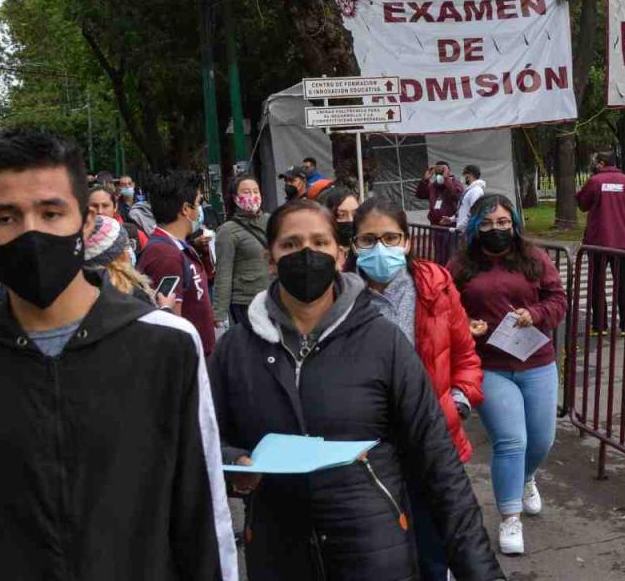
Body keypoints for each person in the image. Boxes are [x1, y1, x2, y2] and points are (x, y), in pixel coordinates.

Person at [0, 129, 237, 580]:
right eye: (5, 217)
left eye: (51, 212)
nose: (31, 232)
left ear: (86, 222)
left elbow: (203, 522)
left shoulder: (167, 347)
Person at [208, 199, 505, 581]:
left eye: (319, 242)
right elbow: (209, 437)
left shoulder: (383, 342)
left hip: (374, 547)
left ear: (340, 254)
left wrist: (480, 572)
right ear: (270, 259)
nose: (306, 254)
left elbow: (439, 464)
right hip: (278, 551)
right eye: (291, 244)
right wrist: (236, 462)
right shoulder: (236, 348)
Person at [351, 197, 484, 581]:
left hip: (432, 441)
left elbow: (466, 357)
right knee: (378, 552)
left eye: (391, 238)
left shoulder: (436, 286)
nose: (381, 248)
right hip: (369, 451)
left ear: (408, 241)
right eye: (369, 239)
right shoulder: (338, 296)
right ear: (352, 245)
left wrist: (457, 405)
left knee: (432, 550)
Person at [447, 193, 567, 556]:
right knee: (511, 441)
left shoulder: (534, 258)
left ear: (513, 224)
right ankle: (509, 516)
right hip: (489, 366)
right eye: (486, 223)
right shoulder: (460, 265)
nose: (496, 230)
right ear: (474, 227)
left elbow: (558, 299)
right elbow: (445, 309)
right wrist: (466, 324)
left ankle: (526, 478)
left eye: (502, 223)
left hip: (537, 360)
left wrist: (537, 314)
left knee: (541, 441)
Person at [137, 171, 217, 356]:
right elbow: (171, 321)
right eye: (198, 203)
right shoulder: (165, 256)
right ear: (186, 209)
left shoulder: (178, 248)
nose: (200, 211)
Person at [576, 152, 625, 336]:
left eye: (594, 162)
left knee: (596, 284)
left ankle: (599, 326)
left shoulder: (595, 181)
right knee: (624, 284)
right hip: (623, 242)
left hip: (598, 242)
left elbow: (582, 204)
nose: (593, 165)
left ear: (601, 163)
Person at [212, 174, 271, 326]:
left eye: (256, 191)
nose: (253, 196)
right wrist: (219, 313)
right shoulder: (227, 231)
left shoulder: (272, 221)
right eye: (246, 192)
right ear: (235, 197)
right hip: (245, 302)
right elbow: (223, 273)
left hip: (273, 298)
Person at [84, 215, 155, 303]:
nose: (129, 251)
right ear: (121, 255)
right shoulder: (133, 296)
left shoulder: (84, 294)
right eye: (126, 245)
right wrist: (166, 308)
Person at [416, 160, 463, 264]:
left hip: (450, 224)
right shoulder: (433, 186)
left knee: (452, 251)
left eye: (442, 169)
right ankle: (441, 271)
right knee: (439, 252)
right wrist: (425, 180)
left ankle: (453, 273)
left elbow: (457, 196)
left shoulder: (455, 183)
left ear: (449, 171)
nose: (440, 171)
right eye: (438, 169)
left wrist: (446, 179)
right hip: (436, 225)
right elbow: (420, 195)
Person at [89, 185, 147, 251]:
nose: (100, 211)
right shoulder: (78, 239)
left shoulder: (135, 234)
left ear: (115, 207)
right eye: (94, 206)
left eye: (105, 206)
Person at [455, 164, 487, 232]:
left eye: (463, 174)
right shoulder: (470, 190)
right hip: (463, 230)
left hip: (467, 231)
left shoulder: (476, 191)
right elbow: (464, 209)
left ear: (469, 175)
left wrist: (461, 226)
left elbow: (474, 211)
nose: (462, 177)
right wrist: (452, 219)